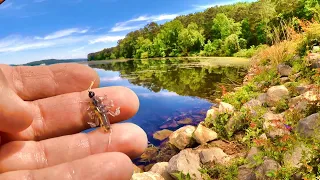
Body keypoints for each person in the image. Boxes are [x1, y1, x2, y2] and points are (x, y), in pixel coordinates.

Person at [0, 63, 148, 180]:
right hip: (100, 112)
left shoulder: (95, 102)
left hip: (101, 112)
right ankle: (106, 127)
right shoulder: (94, 102)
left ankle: (106, 127)